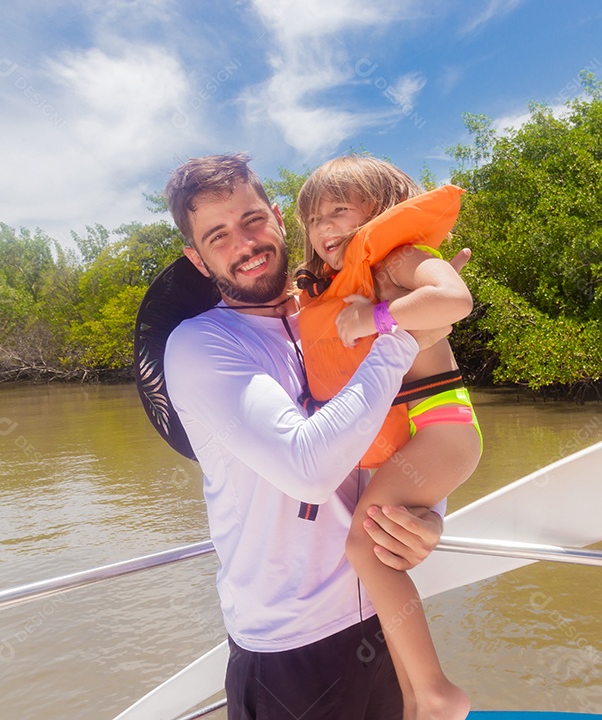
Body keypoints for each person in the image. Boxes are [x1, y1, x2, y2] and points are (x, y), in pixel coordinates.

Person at [162, 153, 460, 720]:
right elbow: (310, 469)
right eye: (217, 235)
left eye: (252, 220)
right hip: (290, 644)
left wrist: (427, 517)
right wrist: (398, 331)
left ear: (278, 217)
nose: (244, 243)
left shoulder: (339, 307)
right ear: (197, 259)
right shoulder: (201, 346)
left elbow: (418, 419)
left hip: (383, 614)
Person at [295, 155, 483, 720]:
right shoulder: (328, 285)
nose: (325, 227)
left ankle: (437, 692)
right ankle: (412, 696)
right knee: (377, 552)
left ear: (381, 211)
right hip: (416, 437)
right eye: (312, 218)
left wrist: (374, 317)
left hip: (442, 428)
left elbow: (456, 301)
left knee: (362, 544)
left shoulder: (399, 255)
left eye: (339, 211)